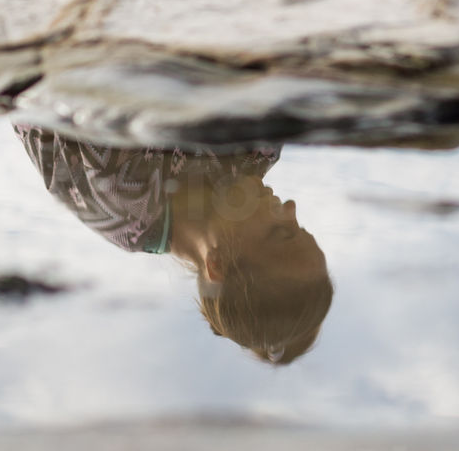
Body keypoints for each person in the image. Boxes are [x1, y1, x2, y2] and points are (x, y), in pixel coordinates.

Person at [17, 126, 334, 364]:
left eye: (281, 233)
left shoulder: (118, 191)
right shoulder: (259, 151)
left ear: (218, 264)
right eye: (300, 227)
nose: (291, 207)